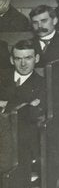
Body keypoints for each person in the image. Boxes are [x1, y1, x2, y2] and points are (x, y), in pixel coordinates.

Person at [0, 40, 46, 170]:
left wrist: (5, 104)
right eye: (18, 58)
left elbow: (31, 112)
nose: (23, 63)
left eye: (28, 58)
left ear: (36, 58)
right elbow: (26, 105)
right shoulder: (2, 78)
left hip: (19, 138)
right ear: (11, 60)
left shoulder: (42, 83)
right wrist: (21, 103)